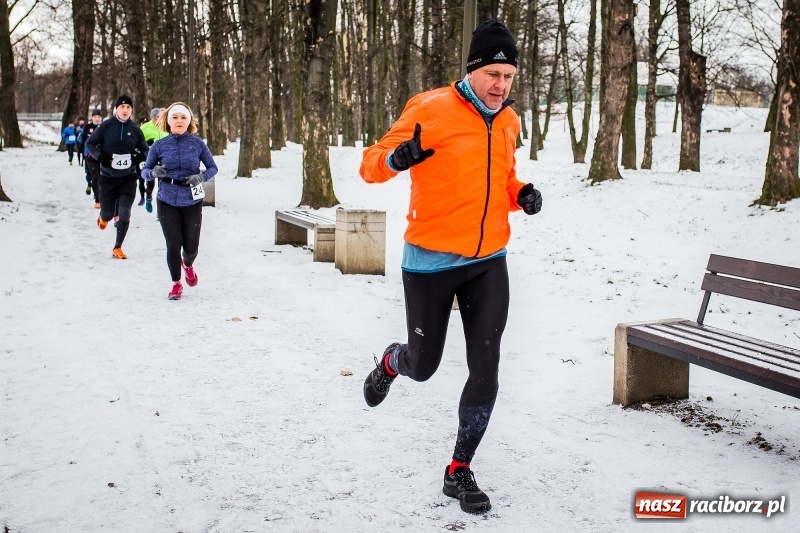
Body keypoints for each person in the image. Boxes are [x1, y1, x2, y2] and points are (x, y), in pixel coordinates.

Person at [359, 20, 543, 514]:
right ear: (474, 70)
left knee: (487, 365)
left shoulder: (508, 121)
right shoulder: (430, 108)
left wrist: (519, 194)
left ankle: (458, 469)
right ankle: (392, 363)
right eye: (494, 74)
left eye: (509, 76)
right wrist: (398, 158)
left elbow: (500, 178)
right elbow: (370, 163)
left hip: (489, 261)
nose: (501, 86)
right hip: (431, 262)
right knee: (425, 365)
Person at [141, 102, 217, 300]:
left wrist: (200, 177)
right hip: (166, 198)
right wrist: (153, 172)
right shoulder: (159, 145)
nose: (179, 121)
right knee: (173, 243)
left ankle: (188, 264)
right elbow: (145, 171)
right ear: (168, 121)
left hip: (191, 199)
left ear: (189, 121)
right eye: (175, 117)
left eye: (183, 117)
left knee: (191, 247)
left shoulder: (198, 144)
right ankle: (176, 283)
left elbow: (212, 167)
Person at [85, 95, 150, 259]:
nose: (125, 110)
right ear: (116, 109)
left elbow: (145, 150)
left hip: (128, 177)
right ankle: (103, 217)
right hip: (108, 178)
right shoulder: (106, 126)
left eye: (128, 107)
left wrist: (140, 158)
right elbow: (90, 144)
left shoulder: (135, 129)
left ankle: (117, 247)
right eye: (122, 107)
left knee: (125, 212)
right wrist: (101, 157)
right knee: (107, 214)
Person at [138, 107, 169, 213]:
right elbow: (138, 142)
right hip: (150, 160)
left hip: (163, 160)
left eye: (159, 117)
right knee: (150, 184)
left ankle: (160, 211)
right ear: (152, 118)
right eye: (155, 118)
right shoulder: (145, 128)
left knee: (162, 186)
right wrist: (147, 145)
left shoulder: (166, 127)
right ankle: (148, 198)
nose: (157, 120)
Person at [81, 110, 104, 206]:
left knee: (103, 177)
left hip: (103, 155)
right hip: (90, 156)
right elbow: (82, 140)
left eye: (98, 117)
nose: (97, 118)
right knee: (95, 177)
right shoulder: (87, 127)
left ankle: (103, 195)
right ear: (92, 118)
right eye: (95, 116)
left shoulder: (104, 127)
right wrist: (82, 152)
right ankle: (97, 199)